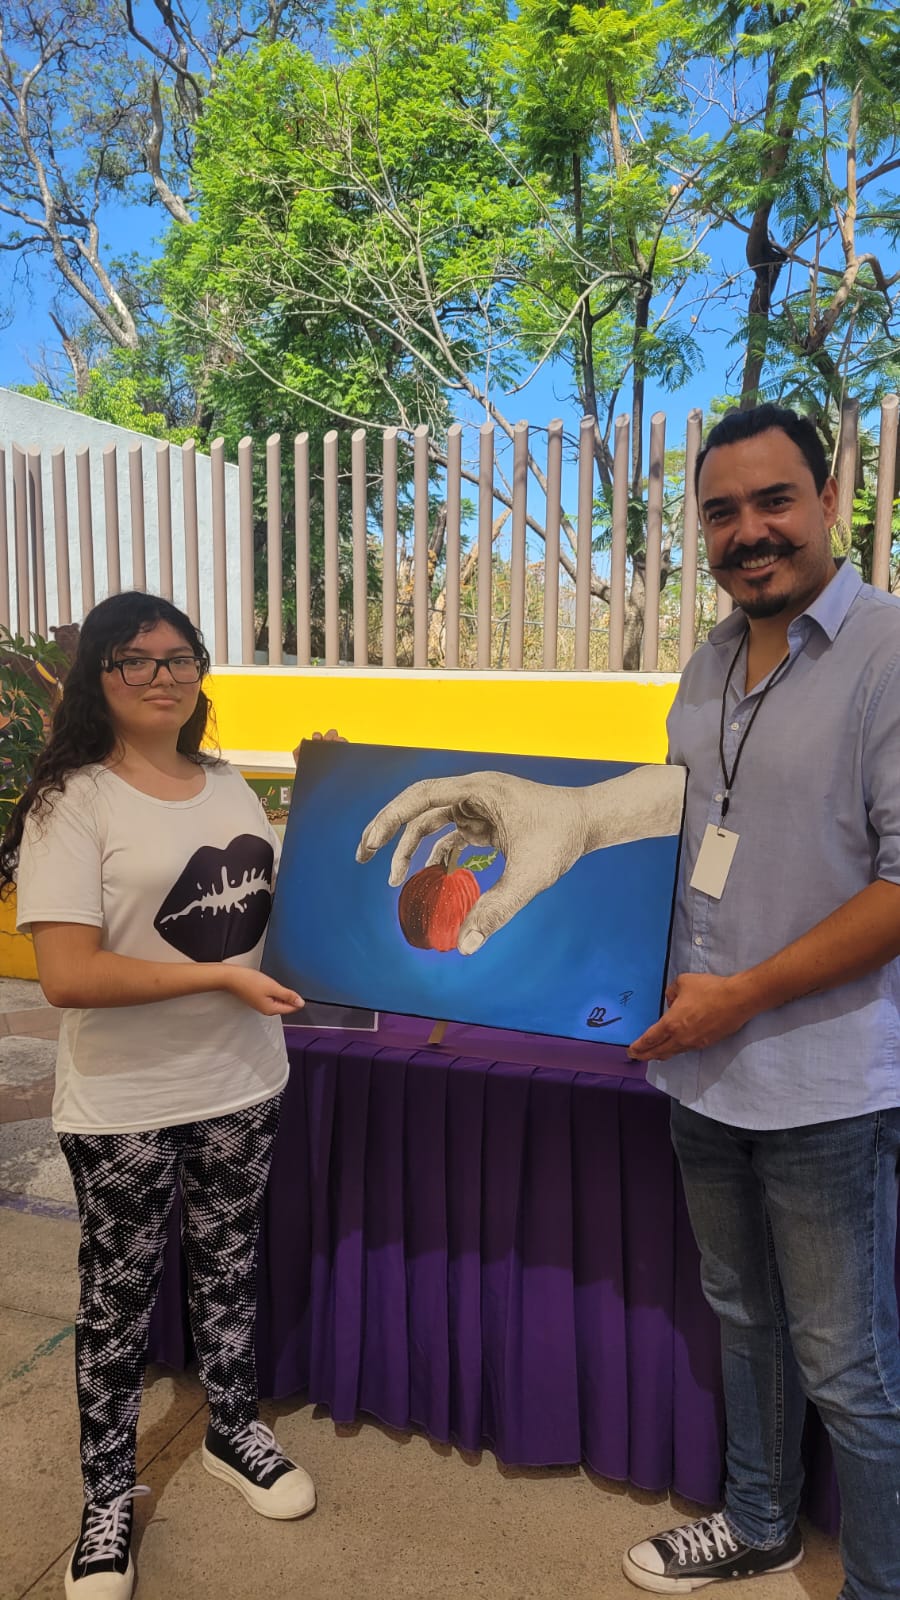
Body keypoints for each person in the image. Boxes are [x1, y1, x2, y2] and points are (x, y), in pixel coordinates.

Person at [359, 405, 900, 1600]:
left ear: (830, 503)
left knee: (850, 1365)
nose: (750, 531)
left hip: (825, 1083)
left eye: (775, 501)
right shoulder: (707, 667)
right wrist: (571, 815)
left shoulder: (889, 655)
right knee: (744, 1317)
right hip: (701, 1069)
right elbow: (689, 820)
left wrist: (741, 995)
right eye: (722, 512)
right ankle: (758, 1521)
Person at [1, 592, 316, 1600]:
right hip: (125, 1103)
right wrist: (217, 978)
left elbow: (267, 911)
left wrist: (336, 796)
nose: (163, 676)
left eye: (180, 657)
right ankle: (105, 1496)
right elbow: (68, 976)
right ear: (99, 676)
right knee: (117, 1303)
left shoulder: (228, 785)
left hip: (243, 1079)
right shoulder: (73, 801)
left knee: (229, 1272)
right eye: (135, 660)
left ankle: (232, 1429)